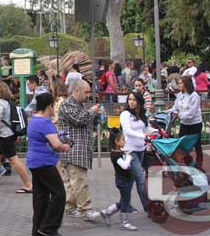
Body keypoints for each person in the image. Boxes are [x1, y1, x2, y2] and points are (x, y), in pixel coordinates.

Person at [27, 93, 71, 236]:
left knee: (40, 197)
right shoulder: (45, 123)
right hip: (45, 163)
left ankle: (38, 230)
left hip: (34, 162)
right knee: (59, 195)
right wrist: (65, 146)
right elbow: (56, 144)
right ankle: (49, 228)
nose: (54, 109)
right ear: (49, 106)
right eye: (53, 106)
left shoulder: (33, 120)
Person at [58, 79, 100, 218]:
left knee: (71, 182)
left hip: (78, 150)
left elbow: (86, 122)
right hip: (74, 150)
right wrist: (92, 112)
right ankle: (86, 209)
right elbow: (79, 120)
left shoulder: (79, 105)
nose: (89, 95)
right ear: (76, 91)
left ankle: (70, 207)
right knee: (79, 181)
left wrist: (96, 117)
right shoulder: (67, 104)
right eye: (86, 92)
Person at [86, 128, 137, 230]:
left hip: (125, 180)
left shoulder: (119, 152)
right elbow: (125, 166)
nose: (125, 141)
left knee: (124, 200)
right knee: (125, 202)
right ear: (116, 142)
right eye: (123, 139)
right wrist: (128, 157)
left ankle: (106, 213)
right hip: (123, 181)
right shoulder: (116, 155)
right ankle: (124, 223)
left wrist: (126, 154)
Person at [119, 91, 150, 212]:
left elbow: (146, 128)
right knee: (140, 178)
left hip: (141, 149)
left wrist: (157, 131)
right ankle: (148, 208)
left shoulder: (142, 114)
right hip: (129, 151)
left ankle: (124, 205)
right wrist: (144, 137)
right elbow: (127, 131)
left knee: (131, 180)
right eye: (129, 99)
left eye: (134, 100)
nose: (131, 102)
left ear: (139, 102)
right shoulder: (125, 114)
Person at [169, 75, 203, 167]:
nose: (179, 85)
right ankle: (188, 160)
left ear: (186, 84)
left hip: (195, 123)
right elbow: (175, 107)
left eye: (180, 83)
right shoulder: (180, 95)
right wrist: (171, 112)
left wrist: (179, 115)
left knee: (196, 142)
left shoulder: (194, 96)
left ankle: (199, 160)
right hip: (184, 124)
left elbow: (191, 113)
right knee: (182, 143)